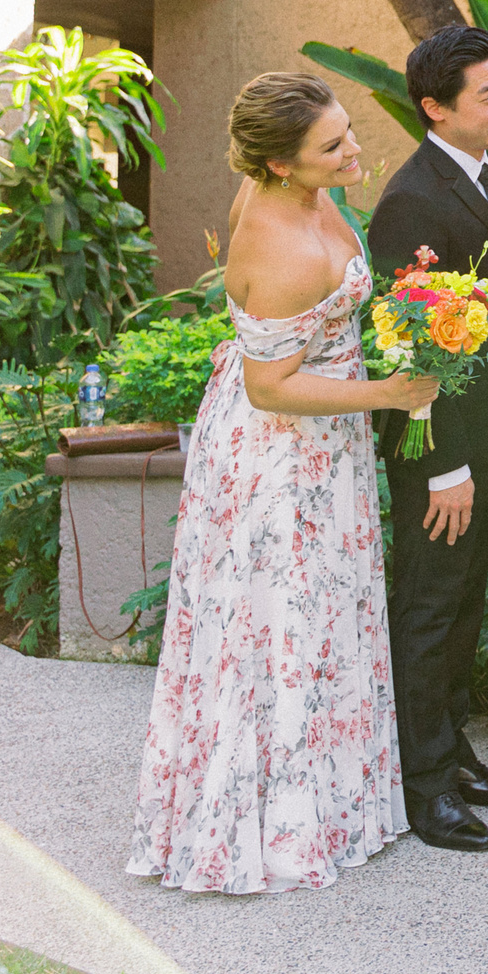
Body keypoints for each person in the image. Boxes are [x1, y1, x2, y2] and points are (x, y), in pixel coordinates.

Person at [127, 74, 429, 893]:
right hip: (277, 456)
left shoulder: (297, 190)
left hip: (324, 445)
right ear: (278, 163)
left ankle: (335, 803)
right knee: (276, 622)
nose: (353, 150)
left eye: (347, 131)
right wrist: (389, 394)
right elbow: (270, 386)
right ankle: (266, 823)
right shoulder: (280, 242)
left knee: (325, 614)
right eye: (331, 146)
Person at [364, 26, 488, 855]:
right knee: (429, 604)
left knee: (463, 598)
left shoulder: (485, 171)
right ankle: (421, 783)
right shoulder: (411, 199)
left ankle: (450, 745)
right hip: (439, 446)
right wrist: (447, 466)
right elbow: (409, 344)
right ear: (435, 107)